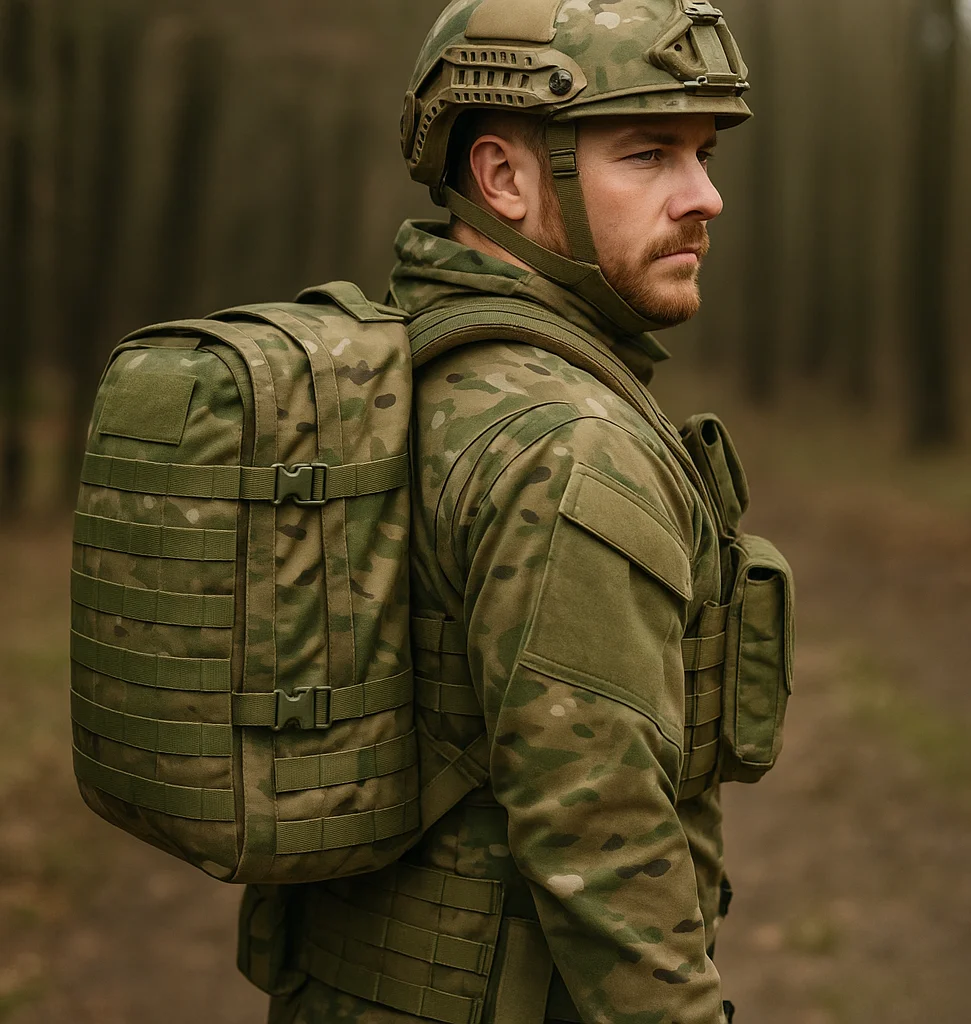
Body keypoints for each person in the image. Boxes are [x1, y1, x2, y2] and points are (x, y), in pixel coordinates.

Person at [263, 3, 788, 1023]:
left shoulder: (405, 367)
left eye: (703, 153)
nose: (705, 195)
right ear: (503, 178)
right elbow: (602, 837)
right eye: (649, 153)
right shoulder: (566, 440)